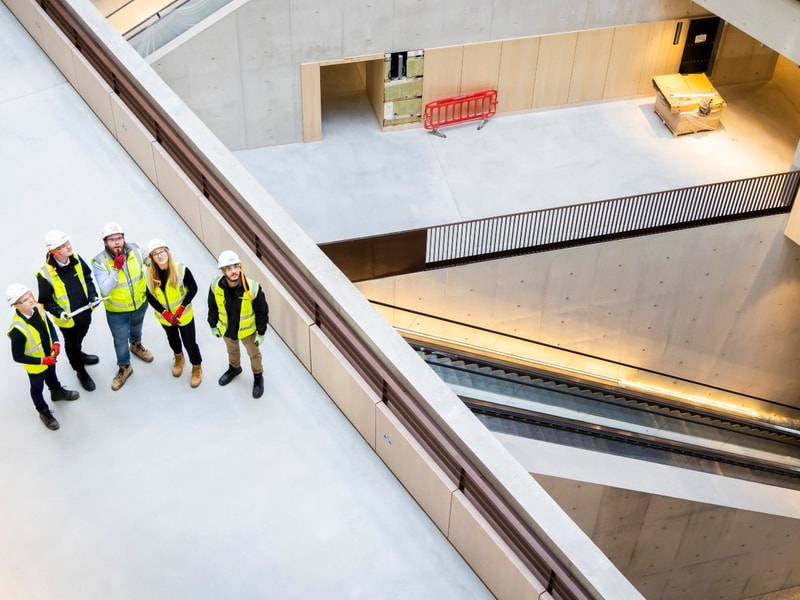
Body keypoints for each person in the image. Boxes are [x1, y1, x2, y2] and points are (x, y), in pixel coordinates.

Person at [6, 283, 80, 431]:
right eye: (26, 300)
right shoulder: (17, 330)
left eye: (30, 296)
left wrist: (56, 343)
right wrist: (42, 361)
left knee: (52, 376)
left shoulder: (38, 309)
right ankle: (43, 411)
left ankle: (56, 392)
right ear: (16, 306)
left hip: (50, 357)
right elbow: (17, 356)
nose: (31, 300)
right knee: (36, 389)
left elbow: (50, 326)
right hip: (36, 366)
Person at [36, 229, 101, 392]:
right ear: (53, 251)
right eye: (62, 245)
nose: (68, 247)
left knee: (80, 337)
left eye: (68, 243)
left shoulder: (77, 259)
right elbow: (45, 300)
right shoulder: (45, 274)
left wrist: (93, 296)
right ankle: (80, 370)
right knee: (71, 344)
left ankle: (80, 354)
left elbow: (87, 278)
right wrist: (59, 313)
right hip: (68, 321)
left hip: (85, 312)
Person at [91, 221, 153, 391]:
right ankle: (124, 367)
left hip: (139, 304)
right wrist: (116, 269)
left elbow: (150, 262)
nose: (117, 242)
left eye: (119, 238)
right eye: (112, 239)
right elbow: (105, 287)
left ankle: (136, 345)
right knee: (119, 341)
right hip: (117, 312)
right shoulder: (100, 262)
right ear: (105, 242)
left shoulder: (136, 250)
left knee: (136, 328)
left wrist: (152, 260)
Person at [207, 250, 269, 398]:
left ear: (240, 266)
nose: (233, 271)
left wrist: (261, 332)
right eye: (229, 268)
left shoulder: (252, 288)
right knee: (232, 351)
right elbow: (212, 306)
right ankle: (234, 368)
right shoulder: (216, 286)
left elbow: (262, 312)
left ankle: (258, 377)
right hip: (228, 329)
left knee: (254, 355)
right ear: (223, 271)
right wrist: (213, 324)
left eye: (236, 266)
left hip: (248, 332)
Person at [145, 238, 203, 387]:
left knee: (190, 343)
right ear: (152, 258)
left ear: (168, 252)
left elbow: (193, 289)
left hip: (183, 316)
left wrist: (182, 307)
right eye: (155, 254)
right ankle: (178, 357)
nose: (160, 255)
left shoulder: (181, 269)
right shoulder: (149, 275)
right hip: (166, 318)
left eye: (162, 251)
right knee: (173, 339)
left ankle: (196, 367)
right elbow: (149, 297)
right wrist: (165, 313)